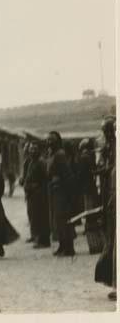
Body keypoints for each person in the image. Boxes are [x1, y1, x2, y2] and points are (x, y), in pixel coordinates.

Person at [95, 116, 116, 300]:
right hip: (110, 198)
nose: (107, 135)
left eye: (109, 131)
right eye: (105, 131)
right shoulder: (108, 150)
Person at [46, 131, 76, 257]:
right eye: (48, 140)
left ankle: (69, 248)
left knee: (64, 218)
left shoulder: (60, 154)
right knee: (58, 219)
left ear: (58, 141)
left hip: (61, 191)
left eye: (52, 140)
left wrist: (66, 190)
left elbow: (67, 174)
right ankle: (62, 245)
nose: (49, 142)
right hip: (55, 190)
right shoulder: (52, 154)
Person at [24, 141, 50, 248]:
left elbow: (46, 178)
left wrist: (37, 188)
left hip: (39, 195)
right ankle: (37, 238)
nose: (32, 151)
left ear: (39, 150)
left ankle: (43, 241)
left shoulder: (41, 162)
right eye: (31, 149)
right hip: (32, 194)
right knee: (34, 217)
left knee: (41, 217)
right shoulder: (31, 162)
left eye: (35, 148)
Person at [76, 138, 100, 232]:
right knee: (90, 204)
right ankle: (91, 224)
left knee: (88, 205)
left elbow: (81, 172)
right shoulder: (90, 155)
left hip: (86, 184)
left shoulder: (84, 156)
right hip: (90, 183)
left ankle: (90, 225)